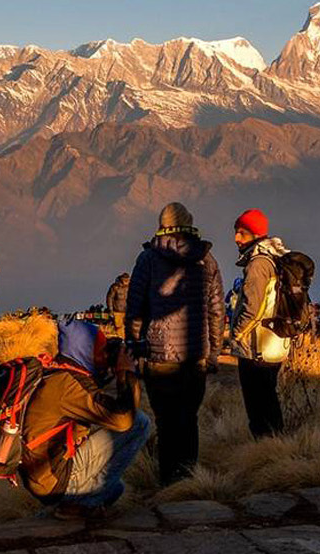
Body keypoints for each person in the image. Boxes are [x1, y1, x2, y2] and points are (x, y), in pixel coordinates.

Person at [125, 203, 224, 485]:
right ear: (189, 223)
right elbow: (217, 311)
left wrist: (136, 348)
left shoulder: (148, 260)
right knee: (189, 419)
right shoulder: (207, 259)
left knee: (166, 423)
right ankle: (189, 479)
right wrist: (214, 353)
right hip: (195, 357)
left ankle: (169, 482)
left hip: (159, 358)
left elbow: (135, 310)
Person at [19, 320, 151, 520]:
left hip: (44, 475)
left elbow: (95, 401)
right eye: (100, 348)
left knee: (115, 489)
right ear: (85, 349)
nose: (104, 354)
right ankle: (76, 504)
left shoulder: (57, 372)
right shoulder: (68, 385)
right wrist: (125, 373)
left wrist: (109, 370)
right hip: (54, 479)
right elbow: (123, 419)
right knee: (139, 423)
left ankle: (80, 501)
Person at [230, 208, 291, 438]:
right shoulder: (275, 259)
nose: (236, 238)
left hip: (257, 346)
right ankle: (276, 445)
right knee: (269, 399)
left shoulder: (258, 264)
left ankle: (265, 448)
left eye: (242, 233)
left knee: (258, 405)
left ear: (255, 234)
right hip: (274, 343)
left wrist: (236, 334)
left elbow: (252, 307)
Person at [105, 273, 130, 337]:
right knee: (118, 327)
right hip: (117, 311)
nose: (126, 281)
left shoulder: (131, 287)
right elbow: (110, 298)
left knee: (129, 326)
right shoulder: (115, 287)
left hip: (128, 311)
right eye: (125, 279)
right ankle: (121, 339)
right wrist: (110, 310)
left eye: (127, 279)